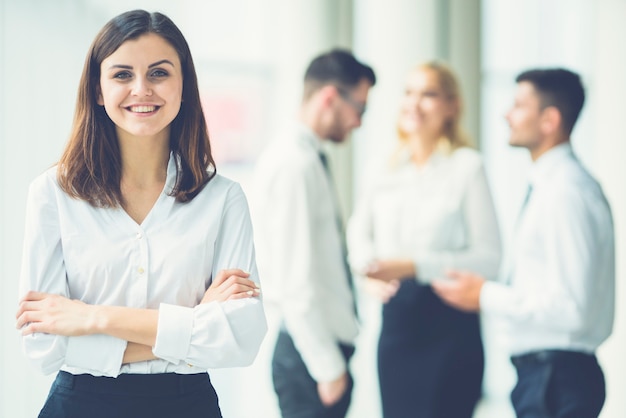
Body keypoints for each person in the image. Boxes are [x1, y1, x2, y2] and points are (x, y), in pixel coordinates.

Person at [15, 10, 267, 418]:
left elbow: (241, 338)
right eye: (121, 75)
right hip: (79, 405)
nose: (141, 89)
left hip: (188, 406)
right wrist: (196, 323)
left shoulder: (223, 199)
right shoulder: (52, 194)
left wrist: (91, 317)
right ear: (98, 89)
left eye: (159, 73)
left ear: (183, 86)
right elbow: (43, 346)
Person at [432, 68, 615, 418]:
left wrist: (485, 294)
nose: (505, 114)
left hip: (556, 379)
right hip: (547, 376)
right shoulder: (552, 187)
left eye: (518, 105)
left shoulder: (565, 192)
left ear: (550, 119)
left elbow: (570, 308)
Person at [346, 61, 502, 418]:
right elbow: (358, 234)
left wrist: (414, 266)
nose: (414, 103)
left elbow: (490, 258)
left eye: (428, 94)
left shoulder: (467, 167)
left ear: (452, 106)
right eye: (409, 92)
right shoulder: (381, 168)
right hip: (398, 322)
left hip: (450, 324)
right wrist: (367, 273)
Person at [251, 48, 376, 418]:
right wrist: (327, 366)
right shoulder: (296, 165)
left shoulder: (306, 158)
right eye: (361, 108)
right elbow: (295, 280)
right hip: (311, 359)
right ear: (330, 97)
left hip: (315, 352)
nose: (359, 122)